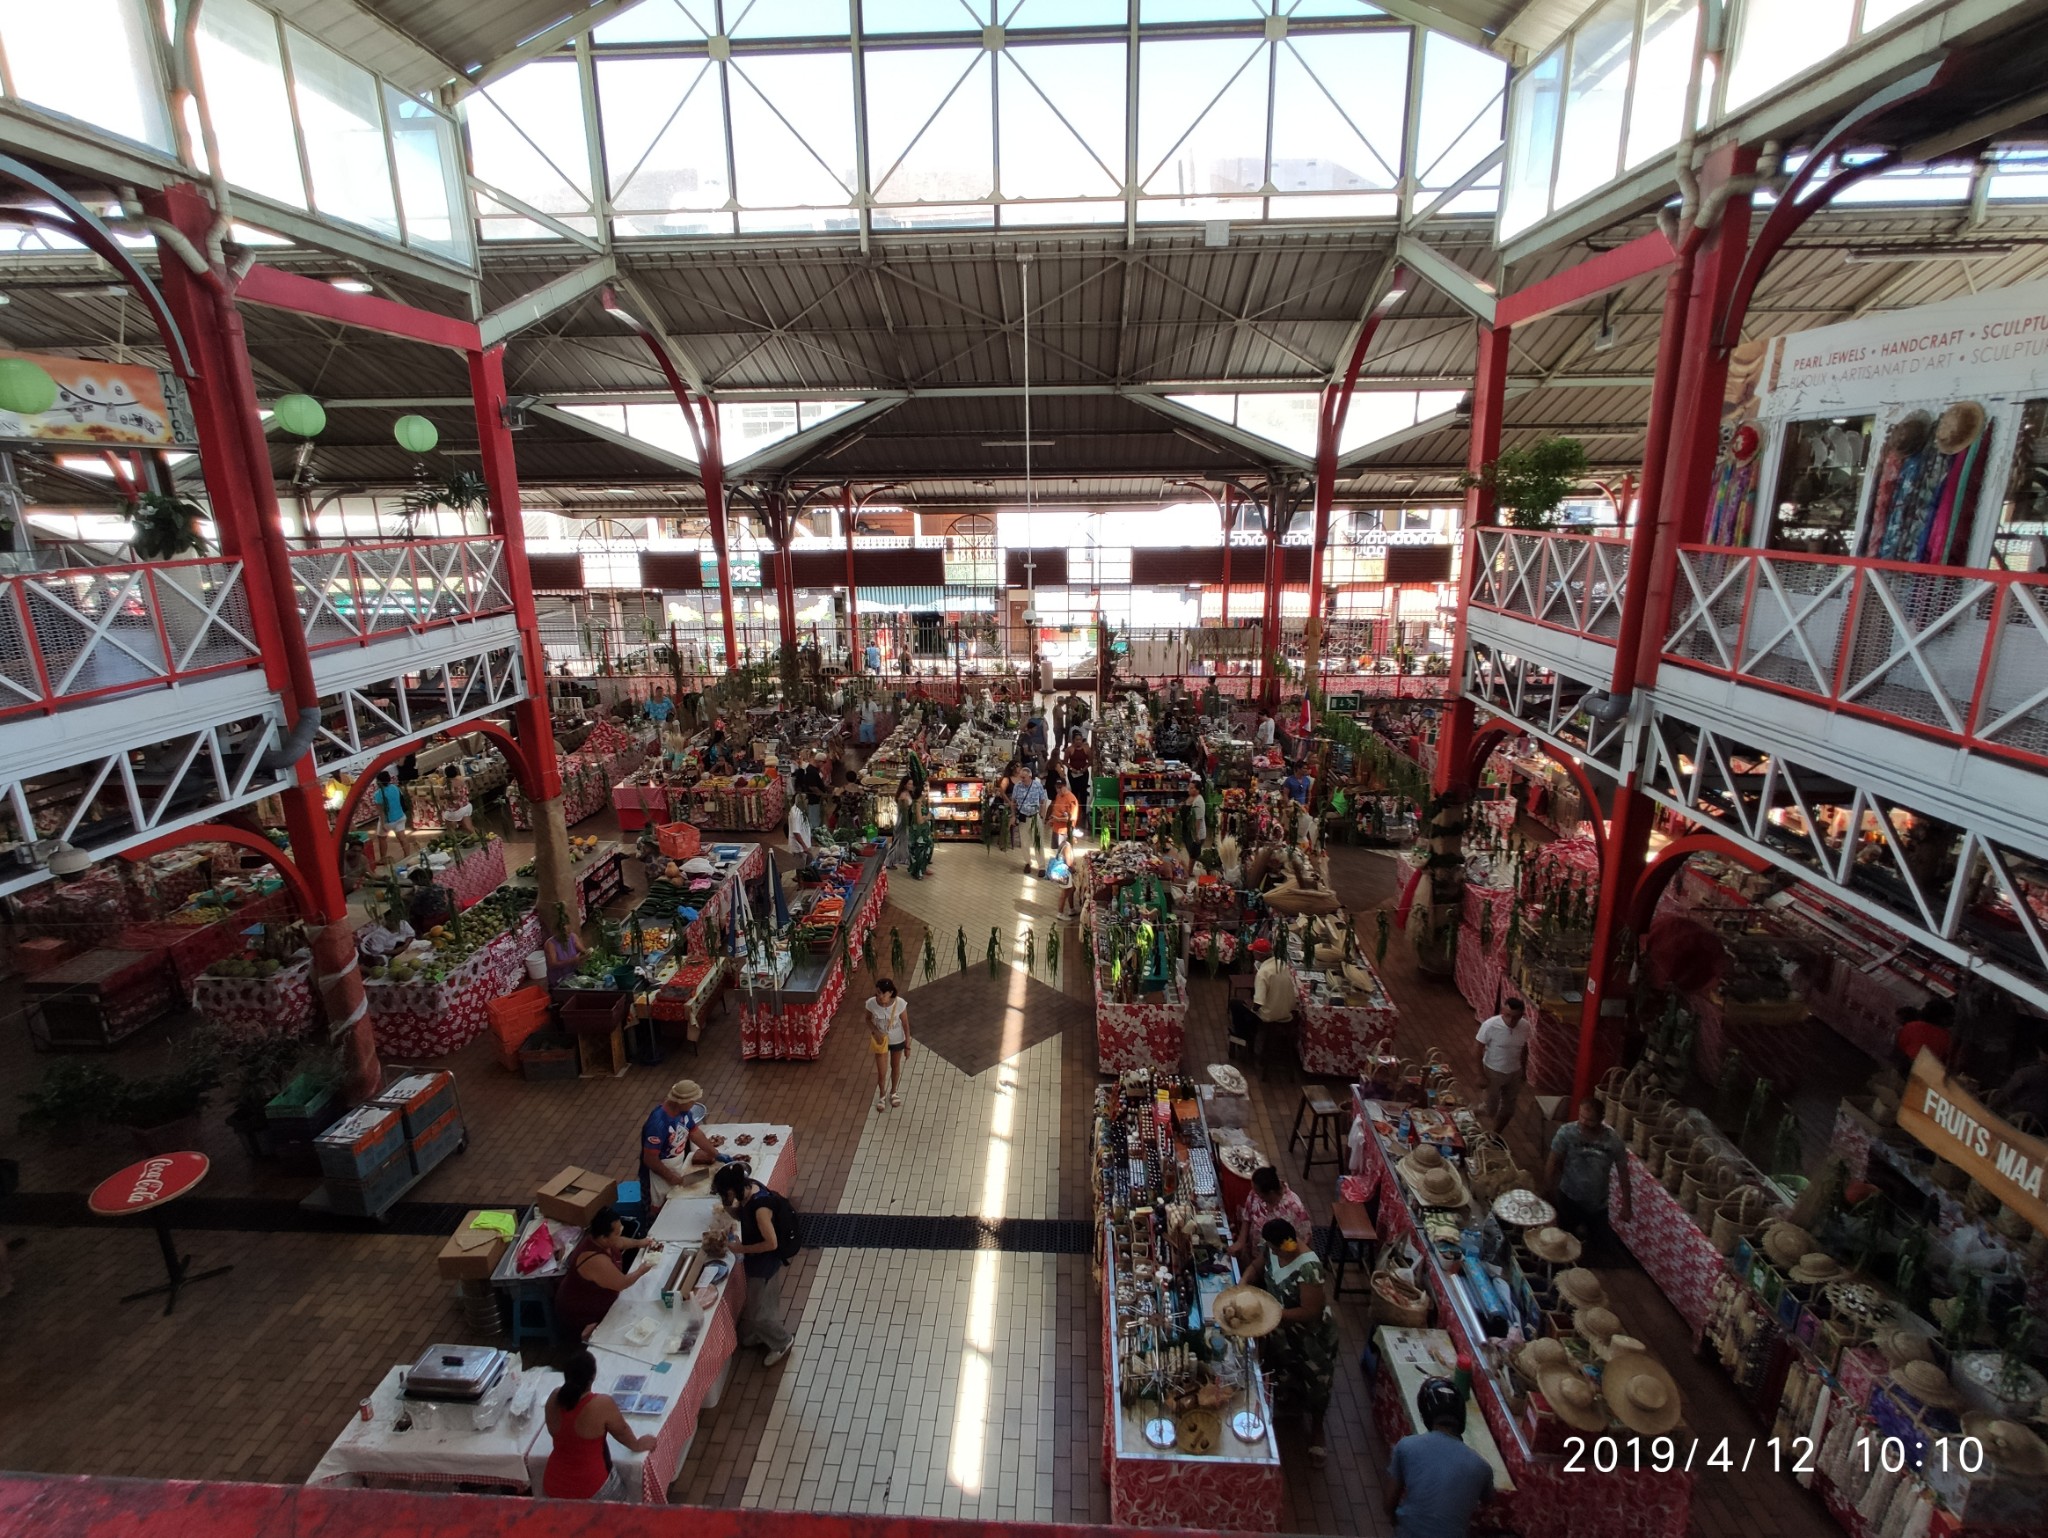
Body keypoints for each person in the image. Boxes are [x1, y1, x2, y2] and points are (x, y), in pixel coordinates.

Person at [1246, 1218, 1338, 1465]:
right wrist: (1243, 1285)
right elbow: (1257, 1266)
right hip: (1281, 1330)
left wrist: (1270, 1314)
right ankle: (1289, 1407)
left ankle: (1317, 1430)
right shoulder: (1273, 1250)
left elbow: (1311, 1311)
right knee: (1284, 1369)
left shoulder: (1309, 1267)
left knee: (1316, 1384)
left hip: (1311, 1339)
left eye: (1274, 1247)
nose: (1272, 1251)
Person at [1384, 1377, 1496, 1538]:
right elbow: (1488, 1500)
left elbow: (1388, 1505)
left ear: (1426, 1417)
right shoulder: (1481, 1467)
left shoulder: (1406, 1446)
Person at [542, 1347, 657, 1500]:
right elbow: (622, 1431)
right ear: (593, 1376)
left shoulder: (554, 1397)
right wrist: (637, 1444)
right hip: (591, 1487)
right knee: (620, 1515)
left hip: (554, 1484)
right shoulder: (600, 1404)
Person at [713, 1164, 798, 1366]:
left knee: (760, 1314)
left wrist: (740, 1249)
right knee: (758, 1304)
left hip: (765, 1264)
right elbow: (742, 1214)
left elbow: (771, 1243)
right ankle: (763, 1335)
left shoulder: (760, 1209)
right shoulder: (749, 1189)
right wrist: (726, 1205)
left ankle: (781, 1342)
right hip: (758, 1262)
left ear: (732, 1189)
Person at [554, 1205, 660, 1342]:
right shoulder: (595, 1259)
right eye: (617, 1232)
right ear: (604, 1238)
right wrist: (641, 1270)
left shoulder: (606, 1241)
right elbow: (621, 1283)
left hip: (603, 1298)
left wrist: (640, 1243)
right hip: (581, 1312)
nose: (620, 1233)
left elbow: (621, 1242)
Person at [1546, 1097, 1633, 1256]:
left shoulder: (1613, 1141)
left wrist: (1627, 1206)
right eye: (1581, 1117)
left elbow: (1623, 1174)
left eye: (1590, 1120)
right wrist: (1548, 1193)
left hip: (1598, 1204)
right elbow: (1552, 1162)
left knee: (1598, 1245)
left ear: (1601, 1119)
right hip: (1569, 1197)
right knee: (1562, 1241)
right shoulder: (1566, 1133)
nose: (1584, 1123)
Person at [641, 1077, 731, 1209]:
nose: (694, 1103)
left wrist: (715, 1153)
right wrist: (670, 1177)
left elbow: (695, 1134)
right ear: (681, 1102)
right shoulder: (658, 1123)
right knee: (661, 1208)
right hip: (658, 1173)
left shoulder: (684, 1113)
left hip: (677, 1164)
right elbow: (650, 1159)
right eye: (692, 1101)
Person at [1228, 936, 1296, 1055]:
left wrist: (1251, 1008)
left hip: (1270, 1014)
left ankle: (1243, 1036)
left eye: (1253, 952)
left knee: (1235, 1004)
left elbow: (1258, 1003)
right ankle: (1247, 1032)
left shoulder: (1263, 973)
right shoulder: (1282, 964)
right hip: (1286, 1011)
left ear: (1258, 955)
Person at [1474, 997, 1531, 1134]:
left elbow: (1524, 1048)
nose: (1511, 1021)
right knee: (1489, 1109)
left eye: (1515, 1017)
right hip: (1493, 1071)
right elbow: (1477, 1050)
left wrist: (1523, 1069)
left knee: (1508, 1110)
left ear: (1522, 1016)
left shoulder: (1525, 1026)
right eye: (1508, 1015)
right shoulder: (1490, 1025)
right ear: (1502, 1011)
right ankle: (1470, 1113)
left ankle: (1494, 1136)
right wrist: (1480, 1075)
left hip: (1514, 1072)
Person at [1232, 1165, 1310, 1262]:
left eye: (1258, 1192)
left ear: (1271, 1192)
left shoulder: (1294, 1208)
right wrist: (1241, 1241)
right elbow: (1247, 1215)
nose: (1254, 1193)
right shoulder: (1256, 1192)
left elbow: (1302, 1241)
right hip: (1254, 1253)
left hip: (1277, 1260)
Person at [864, 977, 912, 1110]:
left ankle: (894, 1091)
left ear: (890, 993)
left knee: (895, 1066)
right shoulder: (871, 1004)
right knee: (881, 1071)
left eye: (882, 993)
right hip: (881, 1041)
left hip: (897, 1039)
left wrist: (908, 1045)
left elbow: (906, 1024)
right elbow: (867, 1019)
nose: (879, 996)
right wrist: (875, 1031)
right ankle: (882, 1094)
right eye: (878, 992)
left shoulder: (900, 1003)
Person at [1012, 767, 1049, 875]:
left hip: (1035, 816)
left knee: (1038, 842)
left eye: (1024, 777)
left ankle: (1042, 866)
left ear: (1030, 776)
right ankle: (1028, 862)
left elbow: (1043, 800)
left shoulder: (1037, 785)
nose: (1022, 779)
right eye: (1021, 777)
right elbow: (1013, 802)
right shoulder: (1017, 786)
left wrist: (1042, 815)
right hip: (1023, 817)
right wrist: (1013, 815)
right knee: (1024, 842)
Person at [369, 769, 408, 867]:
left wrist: (382, 824)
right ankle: (407, 856)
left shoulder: (378, 794)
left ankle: (383, 859)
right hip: (400, 816)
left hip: (388, 821)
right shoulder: (395, 787)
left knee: (382, 838)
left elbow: (381, 812)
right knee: (402, 838)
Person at [1048, 777, 1081, 874]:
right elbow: (1056, 809)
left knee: (1067, 851)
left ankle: (1070, 869)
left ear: (1065, 786)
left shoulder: (1071, 799)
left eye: (1060, 787)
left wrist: (1058, 819)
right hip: (1056, 828)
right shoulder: (1058, 796)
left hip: (1065, 831)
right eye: (1057, 788)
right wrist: (1052, 819)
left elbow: (1072, 818)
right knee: (1059, 851)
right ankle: (1063, 869)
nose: (1058, 790)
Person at [544, 910, 586, 986]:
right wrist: (572, 961)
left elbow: (583, 951)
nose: (567, 935)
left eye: (568, 932)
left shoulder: (572, 937)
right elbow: (552, 964)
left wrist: (585, 954)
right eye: (564, 934)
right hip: (558, 979)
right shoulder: (550, 944)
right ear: (557, 932)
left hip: (573, 975)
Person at [406, 867, 453, 933]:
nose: (414, 883)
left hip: (432, 921)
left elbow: (415, 908)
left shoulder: (420, 893)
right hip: (446, 914)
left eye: (414, 881)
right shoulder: (439, 886)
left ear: (420, 880)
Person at [888, 776, 916, 870]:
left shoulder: (907, 794)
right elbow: (903, 812)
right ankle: (889, 861)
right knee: (897, 842)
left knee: (901, 841)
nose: (911, 786)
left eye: (912, 784)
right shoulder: (903, 797)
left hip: (904, 821)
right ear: (904, 785)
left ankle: (901, 860)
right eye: (909, 784)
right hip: (902, 821)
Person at [439, 763, 475, 835]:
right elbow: (467, 792)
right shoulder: (461, 781)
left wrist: (443, 796)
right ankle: (480, 838)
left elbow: (453, 796)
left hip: (455, 809)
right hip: (466, 806)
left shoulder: (448, 784)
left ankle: (455, 839)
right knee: (469, 828)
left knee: (451, 830)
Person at [1181, 779, 1208, 866]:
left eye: (1191, 788)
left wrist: (1196, 834)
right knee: (1191, 852)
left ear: (1197, 790)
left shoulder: (1199, 801)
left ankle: (1190, 871)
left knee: (1194, 854)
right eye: (1189, 787)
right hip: (1188, 830)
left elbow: (1198, 818)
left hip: (1196, 832)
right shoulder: (1190, 798)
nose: (1189, 789)